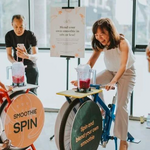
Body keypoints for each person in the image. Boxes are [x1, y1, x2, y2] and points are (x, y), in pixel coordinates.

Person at [71, 18, 136, 150]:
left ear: (110, 32)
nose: (99, 38)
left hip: (127, 73)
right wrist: (82, 78)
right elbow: (90, 62)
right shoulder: (100, 44)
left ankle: (123, 141)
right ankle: (102, 109)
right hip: (110, 71)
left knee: (121, 106)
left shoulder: (123, 43)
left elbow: (123, 66)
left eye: (102, 34)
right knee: (92, 82)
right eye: (96, 35)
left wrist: (113, 82)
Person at [5, 14, 39, 95]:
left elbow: (36, 56)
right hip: (17, 68)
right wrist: (15, 64)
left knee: (32, 93)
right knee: (17, 92)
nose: (18, 29)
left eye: (21, 27)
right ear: (12, 24)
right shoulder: (9, 35)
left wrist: (27, 56)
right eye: (16, 26)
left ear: (25, 25)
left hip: (31, 65)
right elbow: (9, 55)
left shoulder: (30, 35)